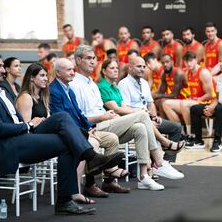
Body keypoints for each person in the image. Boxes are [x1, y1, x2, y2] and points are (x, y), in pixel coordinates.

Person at [0, 52, 124, 215]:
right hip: (5, 145)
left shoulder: (1, 91)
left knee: (63, 123)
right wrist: (29, 125)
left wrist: (31, 126)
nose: (3, 70)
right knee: (66, 135)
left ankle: (71, 190)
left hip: (21, 137)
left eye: (3, 66)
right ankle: (87, 163)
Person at [71, 45, 184, 190]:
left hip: (108, 121)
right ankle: (160, 159)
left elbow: (121, 107)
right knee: (142, 115)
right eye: (89, 58)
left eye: (94, 58)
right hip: (94, 126)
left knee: (140, 127)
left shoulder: (92, 84)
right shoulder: (75, 84)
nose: (93, 61)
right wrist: (104, 116)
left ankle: (144, 177)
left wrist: (113, 116)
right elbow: (80, 116)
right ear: (78, 60)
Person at [50, 58, 130, 195]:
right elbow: (62, 119)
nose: (72, 72)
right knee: (91, 142)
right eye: (68, 70)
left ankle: (108, 180)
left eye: (72, 69)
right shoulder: (54, 91)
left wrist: (89, 127)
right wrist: (85, 131)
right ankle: (87, 185)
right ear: (58, 73)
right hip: (67, 133)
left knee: (111, 139)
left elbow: (79, 114)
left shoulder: (68, 89)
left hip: (82, 129)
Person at [118, 56, 186, 162]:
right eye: (139, 66)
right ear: (130, 67)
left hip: (148, 118)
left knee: (176, 128)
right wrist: (147, 119)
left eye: (144, 66)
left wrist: (154, 117)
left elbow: (150, 104)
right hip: (135, 121)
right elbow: (126, 108)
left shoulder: (144, 83)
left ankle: (167, 163)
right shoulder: (123, 84)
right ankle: (163, 151)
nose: (142, 69)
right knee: (147, 128)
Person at [162, 52, 215, 146]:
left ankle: (190, 135)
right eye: (186, 62)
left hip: (207, 102)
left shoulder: (203, 72)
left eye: (190, 61)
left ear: (196, 60)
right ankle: (181, 134)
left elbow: (210, 94)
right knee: (166, 103)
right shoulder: (187, 73)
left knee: (184, 104)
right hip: (192, 101)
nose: (188, 64)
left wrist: (197, 99)